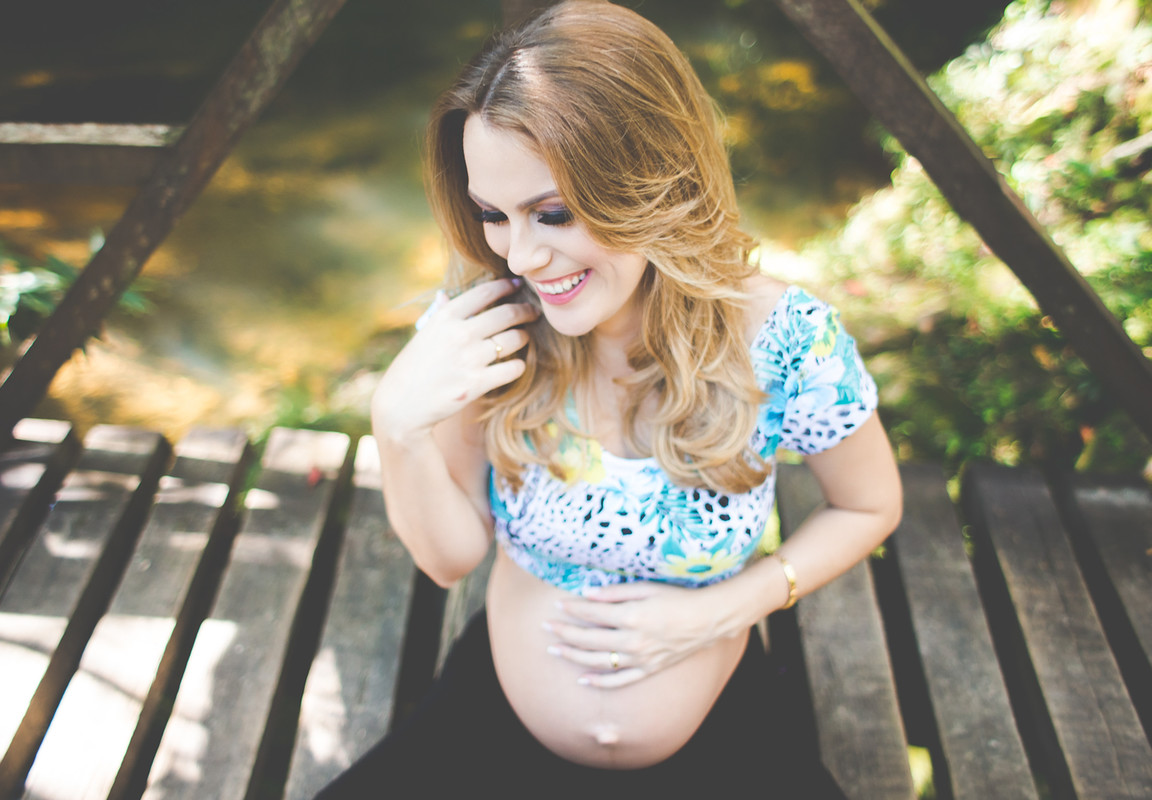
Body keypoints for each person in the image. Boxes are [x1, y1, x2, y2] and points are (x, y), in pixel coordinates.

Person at [316, 1, 902, 796]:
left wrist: (723, 610)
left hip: (719, 727)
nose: (521, 254)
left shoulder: (785, 339)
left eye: (553, 213)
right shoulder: (485, 325)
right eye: (493, 214)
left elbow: (869, 507)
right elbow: (450, 559)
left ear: (651, 182)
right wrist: (397, 425)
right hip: (495, 728)